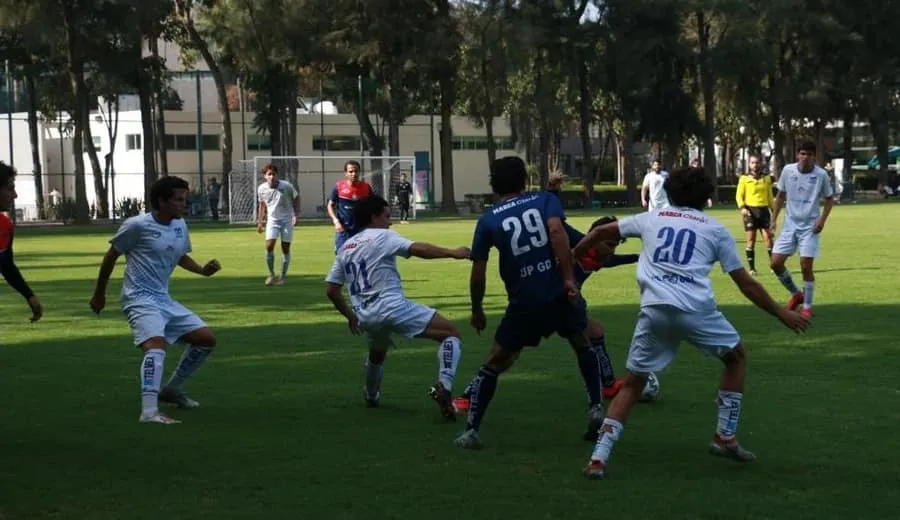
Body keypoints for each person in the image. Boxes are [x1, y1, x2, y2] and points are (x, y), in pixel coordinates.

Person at [573, 166, 809, 480]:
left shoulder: (651, 218)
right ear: (707, 197)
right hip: (696, 310)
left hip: (655, 310)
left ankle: (598, 459)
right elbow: (746, 284)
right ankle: (724, 436)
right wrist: (782, 313)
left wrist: (573, 255)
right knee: (736, 357)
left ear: (669, 192)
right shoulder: (715, 230)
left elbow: (601, 232)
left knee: (632, 384)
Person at [454, 156, 601, 450]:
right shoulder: (545, 200)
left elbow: (478, 271)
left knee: (494, 361)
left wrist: (477, 309)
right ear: (524, 180)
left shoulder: (488, 220)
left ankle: (472, 430)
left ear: (494, 184)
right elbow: (557, 231)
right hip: (559, 292)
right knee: (581, 343)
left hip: (524, 301)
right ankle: (596, 408)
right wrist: (568, 278)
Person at [90, 176, 222, 425]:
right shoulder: (137, 225)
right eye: (179, 199)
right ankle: (149, 412)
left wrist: (202, 271)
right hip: (138, 297)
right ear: (161, 201)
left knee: (206, 339)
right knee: (155, 347)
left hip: (163, 298)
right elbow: (111, 256)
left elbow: (180, 256)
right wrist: (99, 293)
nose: (184, 204)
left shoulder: (180, 224)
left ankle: (171, 389)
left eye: (185, 199)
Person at [324, 194, 471, 420]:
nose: (389, 221)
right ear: (373, 217)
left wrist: (350, 316)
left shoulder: (346, 247)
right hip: (392, 308)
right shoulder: (383, 236)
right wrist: (452, 253)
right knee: (451, 334)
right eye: (386, 216)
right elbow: (417, 249)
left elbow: (332, 290)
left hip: (366, 315)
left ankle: (371, 396)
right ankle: (444, 385)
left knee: (377, 353)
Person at [769, 141, 835, 318]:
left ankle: (807, 306)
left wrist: (822, 221)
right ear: (797, 154)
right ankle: (796, 294)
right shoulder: (788, 171)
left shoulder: (821, 175)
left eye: (809, 154)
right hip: (790, 225)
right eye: (803, 153)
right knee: (775, 263)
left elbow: (829, 199)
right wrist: (773, 219)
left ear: (814, 157)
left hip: (810, 228)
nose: (805, 157)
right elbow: (780, 196)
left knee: (806, 265)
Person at [0, 162, 42, 323]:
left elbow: (6, 265)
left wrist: (29, 296)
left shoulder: (5, 226)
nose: (15, 195)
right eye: (10, 189)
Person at [256, 164, 300, 286]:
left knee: (285, 248)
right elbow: (262, 205)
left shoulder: (286, 186)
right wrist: (260, 222)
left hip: (287, 220)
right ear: (265, 176)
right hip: (272, 220)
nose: (271, 176)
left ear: (277, 175)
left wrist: (296, 215)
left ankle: (282, 276)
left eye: (273, 174)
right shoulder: (261, 189)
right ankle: (271, 274)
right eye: (269, 174)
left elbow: (296, 198)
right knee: (269, 246)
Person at [735, 155, 775, 275]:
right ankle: (752, 268)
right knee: (751, 240)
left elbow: (770, 197)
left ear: (760, 164)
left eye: (757, 162)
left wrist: (774, 211)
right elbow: (738, 196)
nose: (755, 165)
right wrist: (742, 208)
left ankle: (774, 266)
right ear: (749, 164)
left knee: (768, 238)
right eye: (752, 163)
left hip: (764, 211)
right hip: (750, 211)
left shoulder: (766, 178)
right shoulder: (744, 178)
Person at [327, 160, 373, 253]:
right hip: (343, 230)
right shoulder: (339, 186)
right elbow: (330, 205)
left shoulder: (366, 187)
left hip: (361, 231)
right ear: (345, 173)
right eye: (351, 171)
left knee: (361, 257)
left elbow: (373, 206)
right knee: (341, 256)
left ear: (359, 172)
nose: (354, 174)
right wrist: (336, 221)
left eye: (356, 171)